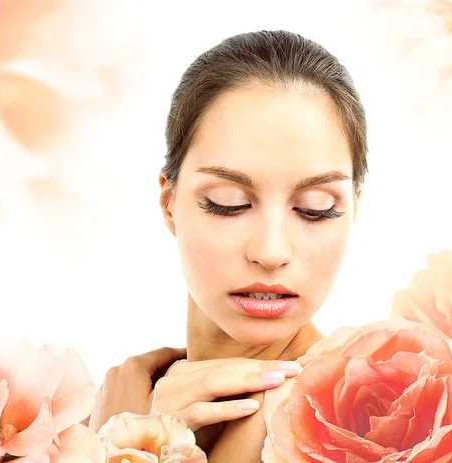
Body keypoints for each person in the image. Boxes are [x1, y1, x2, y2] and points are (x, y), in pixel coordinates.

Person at [88, 29, 368, 461]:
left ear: (352, 209)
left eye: (316, 208)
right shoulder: (108, 409)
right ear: (169, 204)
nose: (271, 252)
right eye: (228, 203)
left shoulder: (360, 429)